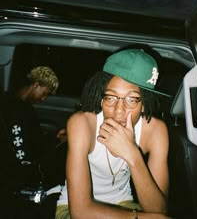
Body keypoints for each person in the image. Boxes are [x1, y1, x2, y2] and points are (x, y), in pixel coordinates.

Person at [56, 48, 171, 219]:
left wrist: (133, 155)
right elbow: (80, 212)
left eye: (131, 100)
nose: (118, 111)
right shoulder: (82, 124)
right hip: (73, 207)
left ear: (144, 103)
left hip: (123, 203)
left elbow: (159, 209)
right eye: (111, 97)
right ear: (101, 100)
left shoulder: (155, 131)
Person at [0, 66, 65, 219]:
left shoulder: (21, 107)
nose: (43, 99)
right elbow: (21, 151)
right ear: (35, 85)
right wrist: (56, 140)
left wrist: (55, 136)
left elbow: (32, 139)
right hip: (12, 174)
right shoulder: (15, 110)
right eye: (44, 94)